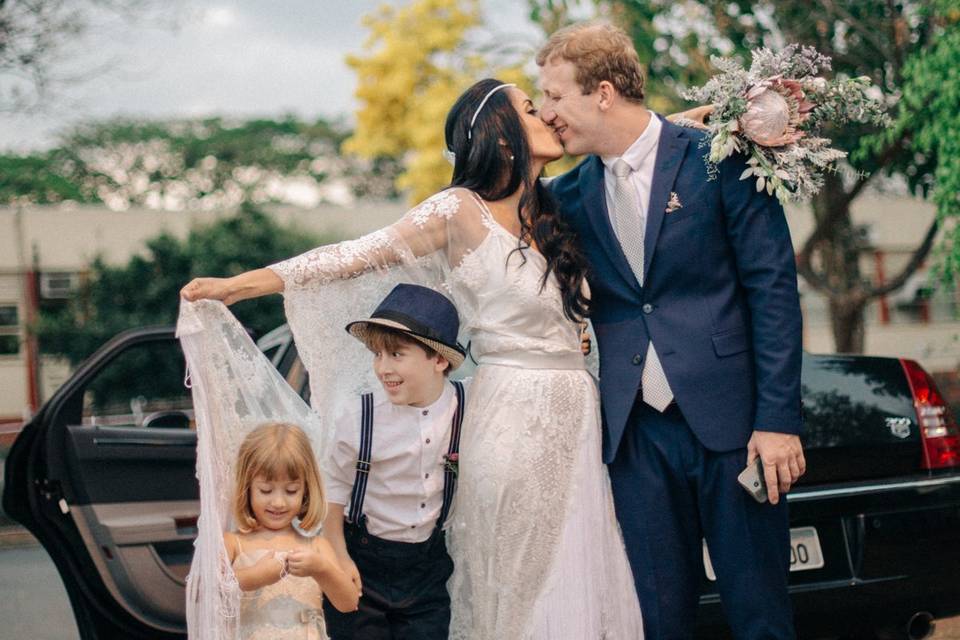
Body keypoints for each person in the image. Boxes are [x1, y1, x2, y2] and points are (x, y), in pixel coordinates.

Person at [182, 77, 643, 639]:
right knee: (522, 574)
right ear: (501, 136)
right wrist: (242, 285)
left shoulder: (555, 209)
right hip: (512, 415)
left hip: (577, 418)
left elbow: (640, 139)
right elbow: (355, 256)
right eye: (531, 107)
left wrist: (735, 111)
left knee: (580, 564)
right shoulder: (459, 212)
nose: (548, 114)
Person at [537, 21, 806, 640]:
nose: (547, 113)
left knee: (760, 616)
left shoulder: (721, 158)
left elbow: (772, 292)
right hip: (635, 439)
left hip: (736, 426)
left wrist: (778, 420)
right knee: (657, 621)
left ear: (603, 92)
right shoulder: (568, 195)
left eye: (554, 96)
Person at [321, 283, 467, 639]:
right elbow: (332, 493)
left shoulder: (468, 405)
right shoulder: (360, 417)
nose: (382, 368)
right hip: (363, 566)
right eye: (377, 355)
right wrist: (338, 559)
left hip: (429, 570)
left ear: (439, 359)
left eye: (396, 355)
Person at [224, 421, 360, 640]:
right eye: (266, 490)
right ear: (247, 488)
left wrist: (321, 568)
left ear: (306, 490)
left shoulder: (316, 546)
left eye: (291, 491)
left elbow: (348, 603)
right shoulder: (233, 543)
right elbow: (211, 593)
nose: (278, 502)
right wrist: (257, 576)